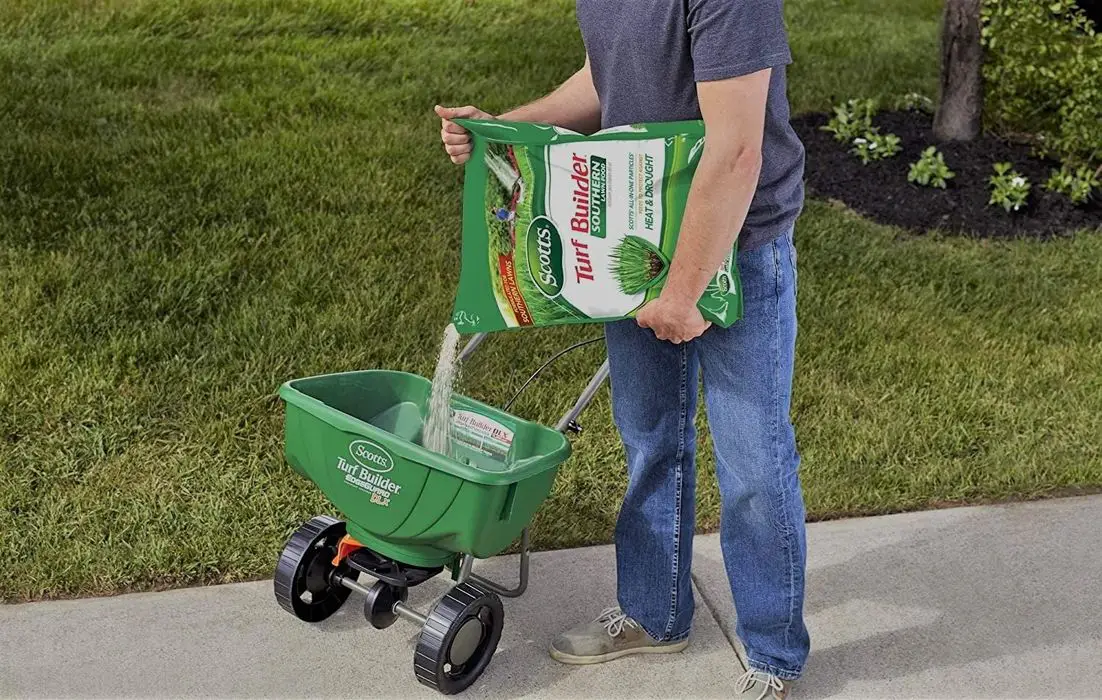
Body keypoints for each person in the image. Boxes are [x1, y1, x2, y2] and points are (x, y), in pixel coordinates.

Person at [436, 0, 807, 696]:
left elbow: (735, 150)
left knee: (754, 459)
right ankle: (653, 614)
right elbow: (610, 77)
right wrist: (505, 129)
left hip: (736, 250)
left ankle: (772, 655)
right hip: (636, 229)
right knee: (649, 438)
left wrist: (684, 291)